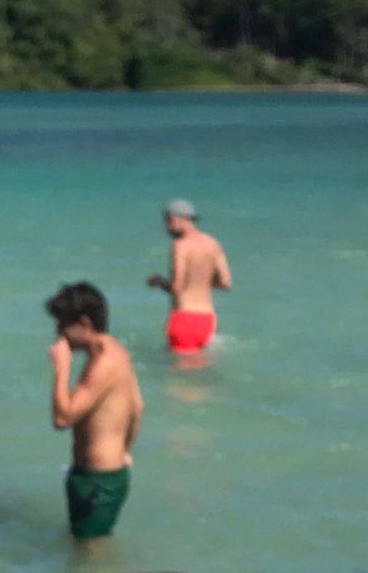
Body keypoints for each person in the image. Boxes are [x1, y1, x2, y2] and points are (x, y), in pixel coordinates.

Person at [46, 283, 144, 539]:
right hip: (102, 476)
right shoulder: (116, 353)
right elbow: (137, 407)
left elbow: (62, 419)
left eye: (63, 325)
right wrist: (126, 452)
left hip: (98, 480)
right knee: (87, 548)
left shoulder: (104, 363)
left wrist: (61, 368)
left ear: (85, 323)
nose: (58, 333)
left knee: (91, 552)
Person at [147, 199, 232, 354]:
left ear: (184, 218)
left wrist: (159, 282)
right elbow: (225, 283)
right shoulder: (213, 243)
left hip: (184, 318)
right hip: (208, 319)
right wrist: (200, 282)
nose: (167, 226)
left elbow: (176, 287)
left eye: (169, 220)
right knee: (198, 372)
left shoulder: (180, 246)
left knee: (181, 376)